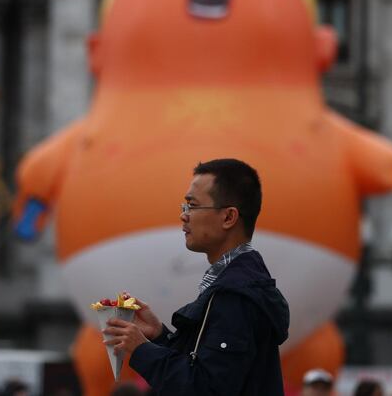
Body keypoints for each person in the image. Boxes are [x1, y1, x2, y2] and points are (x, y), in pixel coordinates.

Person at [102, 158, 290, 395]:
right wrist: (160, 336)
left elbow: (206, 388)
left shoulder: (236, 296)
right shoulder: (236, 285)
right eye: (185, 207)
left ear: (229, 217)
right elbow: (206, 371)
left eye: (192, 205)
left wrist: (142, 349)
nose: (184, 216)